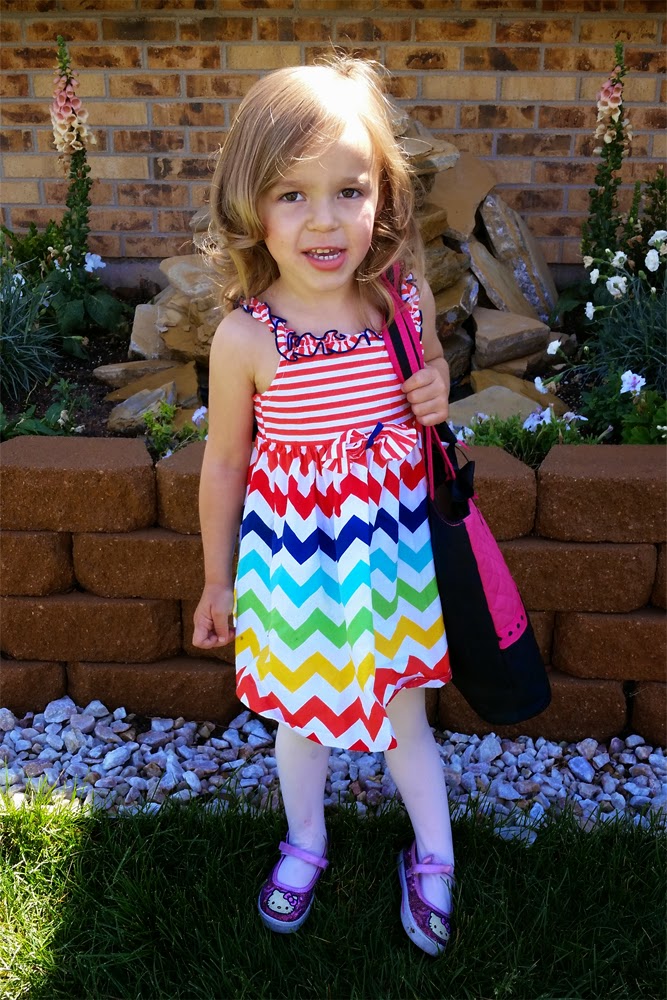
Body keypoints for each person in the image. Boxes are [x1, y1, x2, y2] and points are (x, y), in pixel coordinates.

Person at [192, 57, 455, 958]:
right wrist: (216, 582)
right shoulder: (245, 339)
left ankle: (434, 854)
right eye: (292, 195)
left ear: (382, 194)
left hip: (390, 562)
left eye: (349, 190)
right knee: (300, 721)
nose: (324, 220)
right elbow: (225, 464)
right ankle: (305, 839)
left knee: (404, 717)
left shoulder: (396, 303)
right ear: (250, 207)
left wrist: (436, 385)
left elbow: (431, 375)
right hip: (293, 571)